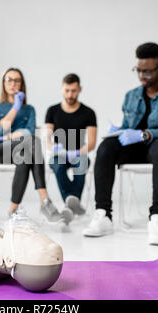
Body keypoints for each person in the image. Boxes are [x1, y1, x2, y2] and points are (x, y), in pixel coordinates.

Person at [83, 42, 158, 245]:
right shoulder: (131, 96)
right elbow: (128, 127)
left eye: (148, 72)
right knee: (106, 147)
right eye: (139, 71)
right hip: (136, 149)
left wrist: (144, 135)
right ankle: (103, 214)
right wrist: (119, 131)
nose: (143, 76)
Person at [0, 68, 73, 225]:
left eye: (17, 80)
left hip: (21, 150)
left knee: (27, 154)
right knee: (31, 144)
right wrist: (15, 108)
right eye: (9, 80)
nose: (13, 83)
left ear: (22, 84)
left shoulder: (29, 109)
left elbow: (29, 133)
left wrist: (9, 136)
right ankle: (45, 201)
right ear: (3, 83)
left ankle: (12, 210)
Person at [45, 73, 97, 216]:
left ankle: (69, 205)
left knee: (81, 163)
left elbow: (91, 143)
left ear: (79, 90)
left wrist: (78, 152)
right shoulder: (52, 111)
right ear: (62, 89)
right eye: (67, 90)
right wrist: (53, 148)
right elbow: (47, 139)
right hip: (59, 155)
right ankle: (73, 203)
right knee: (58, 164)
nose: (70, 94)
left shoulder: (88, 113)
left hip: (78, 154)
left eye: (73, 91)